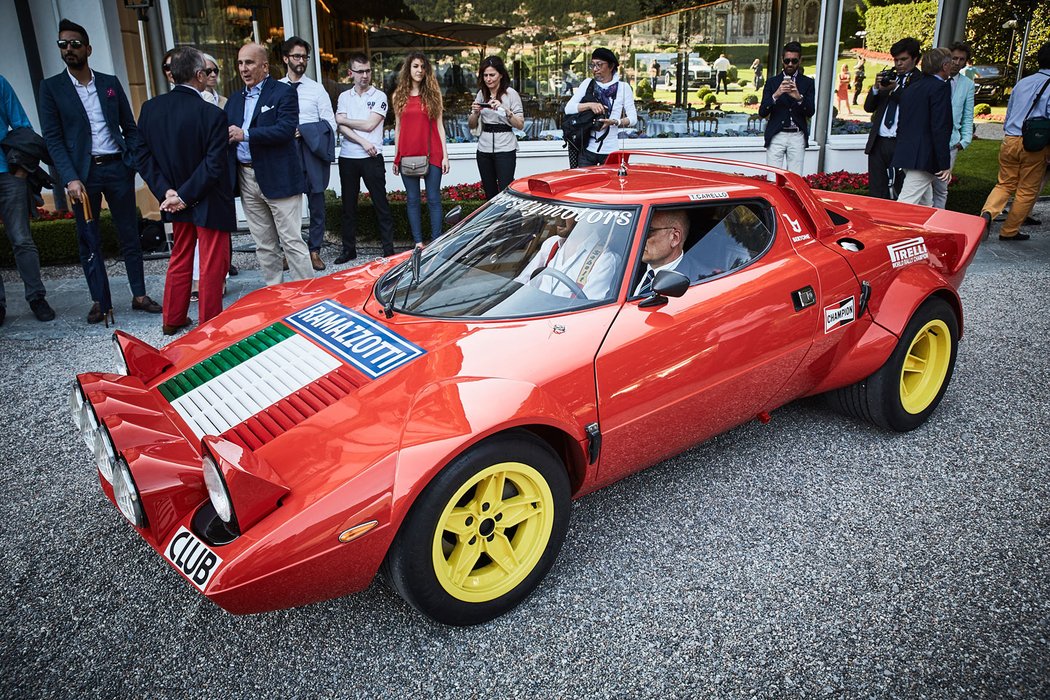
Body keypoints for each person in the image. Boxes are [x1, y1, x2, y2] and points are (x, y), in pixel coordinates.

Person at [38, 18, 162, 324]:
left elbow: (129, 127)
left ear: (88, 49)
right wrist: (69, 177)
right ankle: (100, 301)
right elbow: (52, 138)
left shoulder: (109, 83)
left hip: (117, 168)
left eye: (75, 44)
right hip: (82, 175)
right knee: (89, 239)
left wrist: (130, 161)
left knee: (129, 234)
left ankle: (139, 294)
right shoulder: (51, 88)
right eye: (63, 44)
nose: (69, 49)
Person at [135, 47, 234, 335]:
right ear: (199, 75)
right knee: (212, 264)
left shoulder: (150, 109)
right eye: (206, 71)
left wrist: (167, 192)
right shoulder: (212, 114)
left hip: (174, 197)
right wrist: (182, 195)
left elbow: (142, 156)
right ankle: (209, 327)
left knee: (180, 256)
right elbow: (214, 165)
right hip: (207, 198)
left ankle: (172, 318)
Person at [224, 43, 312, 286]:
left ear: (264, 66)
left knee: (291, 241)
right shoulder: (233, 100)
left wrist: (247, 134)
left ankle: (308, 297)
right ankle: (276, 296)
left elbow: (285, 130)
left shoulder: (283, 92)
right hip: (245, 177)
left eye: (249, 62)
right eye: (240, 63)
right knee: (263, 244)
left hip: (279, 176)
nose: (243, 68)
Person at [980, 42, 1050, 241]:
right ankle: (1009, 231)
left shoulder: (1023, 82)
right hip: (1034, 144)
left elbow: (1010, 111)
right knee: (1027, 189)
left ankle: (987, 214)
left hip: (1010, 139)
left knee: (1004, 184)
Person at [0, 74, 53, 325]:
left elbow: (22, 126)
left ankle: (36, 297)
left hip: (8, 175)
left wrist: (21, 173)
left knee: (21, 239)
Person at [280, 37, 336, 273]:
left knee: (316, 202)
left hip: (311, 150)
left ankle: (314, 250)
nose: (301, 61)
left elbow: (330, 124)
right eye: (296, 56)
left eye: (304, 57)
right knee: (286, 205)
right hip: (285, 152)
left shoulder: (316, 89)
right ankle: (290, 251)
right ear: (285, 59)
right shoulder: (276, 88)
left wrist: (304, 130)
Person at [334, 52, 395, 261]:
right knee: (348, 207)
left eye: (368, 71)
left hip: (372, 157)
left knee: (381, 204)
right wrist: (363, 141)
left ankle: (388, 249)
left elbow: (369, 124)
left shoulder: (379, 96)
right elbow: (339, 127)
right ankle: (348, 250)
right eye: (360, 71)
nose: (365, 75)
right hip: (349, 157)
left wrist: (346, 121)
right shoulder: (344, 97)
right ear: (351, 73)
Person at [392, 52, 449, 247]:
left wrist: (446, 156)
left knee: (434, 199)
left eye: (423, 67)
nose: (419, 70)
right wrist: (396, 157)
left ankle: (436, 240)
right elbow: (398, 128)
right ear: (408, 69)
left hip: (432, 152)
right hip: (407, 154)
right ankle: (418, 242)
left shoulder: (434, 94)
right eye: (415, 66)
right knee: (413, 200)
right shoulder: (398, 96)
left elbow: (440, 126)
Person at [864, 37, 922, 200]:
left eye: (903, 60)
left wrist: (896, 89)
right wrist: (876, 88)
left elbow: (912, 106)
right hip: (879, 141)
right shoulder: (890, 76)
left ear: (916, 59)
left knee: (901, 189)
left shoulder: (920, 81)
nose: (899, 64)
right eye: (896, 60)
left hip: (902, 142)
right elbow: (869, 107)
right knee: (876, 189)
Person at [894, 48, 953, 207]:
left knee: (924, 205)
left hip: (907, 152)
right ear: (945, 66)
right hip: (924, 156)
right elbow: (940, 126)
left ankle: (920, 232)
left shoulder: (912, 88)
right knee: (906, 203)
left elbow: (903, 122)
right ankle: (891, 232)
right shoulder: (940, 88)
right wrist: (944, 164)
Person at [564, 48, 638, 167]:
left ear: (611, 66)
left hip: (611, 151)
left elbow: (633, 119)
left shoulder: (623, 88)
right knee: (586, 184)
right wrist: (591, 105)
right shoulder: (588, 84)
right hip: (587, 149)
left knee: (611, 185)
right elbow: (568, 108)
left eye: (599, 65)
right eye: (592, 65)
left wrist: (614, 122)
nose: (595, 69)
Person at [514, 217, 619, 300]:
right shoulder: (552, 244)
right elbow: (523, 282)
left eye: (568, 213)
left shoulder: (604, 260)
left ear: (586, 217)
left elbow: (586, 308)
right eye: (559, 212)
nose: (559, 220)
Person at [468, 56, 524, 200]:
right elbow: (472, 125)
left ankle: (510, 222)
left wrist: (505, 110)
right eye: (485, 75)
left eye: (492, 75)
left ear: (500, 75)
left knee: (507, 191)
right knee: (490, 192)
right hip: (484, 148)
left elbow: (520, 124)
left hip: (505, 147)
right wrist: (475, 112)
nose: (488, 79)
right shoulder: (481, 93)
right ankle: (494, 222)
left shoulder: (511, 94)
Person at [758, 41, 815, 174]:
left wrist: (799, 98)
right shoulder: (772, 82)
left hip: (797, 135)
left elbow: (810, 111)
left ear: (799, 61)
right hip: (777, 134)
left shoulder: (807, 83)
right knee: (773, 177)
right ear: (782, 60)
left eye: (794, 61)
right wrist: (776, 94)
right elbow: (762, 111)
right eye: (787, 60)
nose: (790, 64)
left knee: (795, 178)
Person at [931, 42, 976, 210]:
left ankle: (939, 225)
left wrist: (964, 141)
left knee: (941, 188)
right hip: (930, 141)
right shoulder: (934, 80)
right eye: (954, 58)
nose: (957, 62)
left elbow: (967, 115)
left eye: (961, 59)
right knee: (924, 186)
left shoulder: (967, 84)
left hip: (951, 143)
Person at [633, 209, 701, 296]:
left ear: (674, 238)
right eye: (636, 230)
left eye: (648, 231)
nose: (638, 238)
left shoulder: (698, 283)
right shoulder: (629, 267)